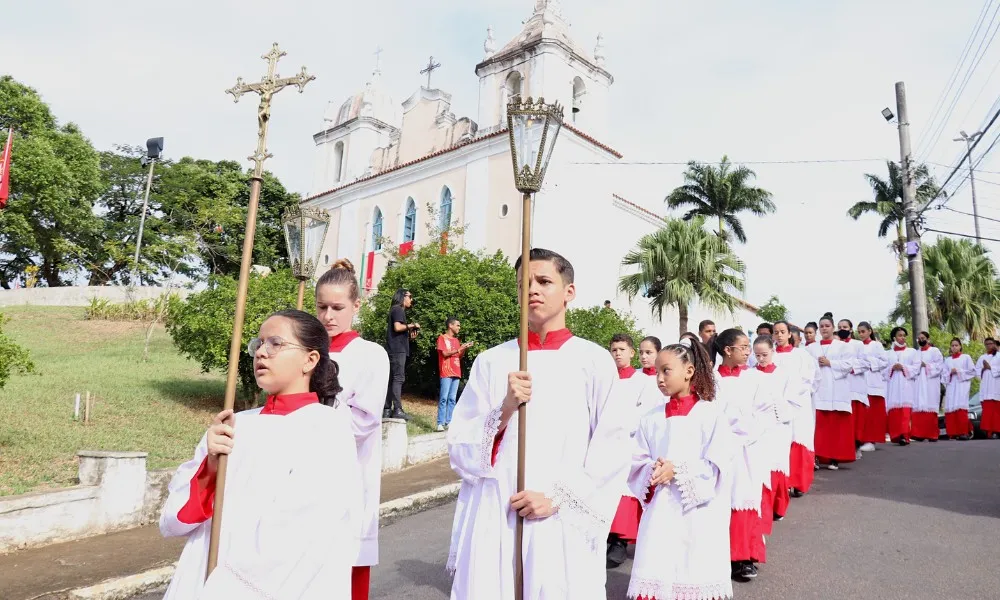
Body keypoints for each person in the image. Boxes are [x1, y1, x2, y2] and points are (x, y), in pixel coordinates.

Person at [446, 248, 631, 600]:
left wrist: (557, 499)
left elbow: (613, 447)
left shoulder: (593, 361)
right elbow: (461, 446)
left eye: (544, 281)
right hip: (497, 510)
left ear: (569, 292)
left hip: (561, 515)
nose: (532, 290)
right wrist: (505, 407)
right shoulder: (491, 361)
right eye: (523, 284)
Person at [160, 310, 362, 599]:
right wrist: (211, 467)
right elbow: (177, 519)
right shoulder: (234, 424)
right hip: (202, 571)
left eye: (276, 344)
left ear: (310, 359)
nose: (261, 353)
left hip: (266, 585)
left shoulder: (326, 428)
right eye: (259, 344)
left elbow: (300, 529)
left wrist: (228, 587)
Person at [626, 342, 735, 600]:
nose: (660, 379)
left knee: (694, 564)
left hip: (697, 510)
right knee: (657, 561)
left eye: (666, 371)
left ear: (688, 371)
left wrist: (679, 470)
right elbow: (636, 458)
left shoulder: (710, 415)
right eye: (656, 373)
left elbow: (719, 464)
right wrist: (651, 469)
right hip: (661, 506)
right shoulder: (650, 417)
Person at [316, 261, 390, 600]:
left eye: (337, 307)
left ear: (356, 306)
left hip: (349, 477)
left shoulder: (371, 355)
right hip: (298, 478)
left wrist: (320, 403)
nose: (329, 316)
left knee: (347, 577)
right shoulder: (305, 351)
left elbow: (363, 421)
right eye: (322, 307)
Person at [714, 328, 770, 582]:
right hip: (720, 450)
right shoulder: (711, 380)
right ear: (728, 350)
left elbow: (765, 412)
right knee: (719, 501)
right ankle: (717, 556)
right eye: (744, 347)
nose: (749, 352)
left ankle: (744, 557)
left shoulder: (755, 379)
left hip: (747, 449)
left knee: (744, 499)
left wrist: (745, 433)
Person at [606, 332, 662, 567]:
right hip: (606, 442)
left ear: (631, 352)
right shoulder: (606, 378)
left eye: (622, 349)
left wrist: (620, 425)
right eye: (614, 350)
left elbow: (644, 413)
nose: (617, 354)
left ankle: (620, 541)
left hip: (630, 441)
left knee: (626, 490)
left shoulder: (644, 382)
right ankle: (607, 536)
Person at [771, 321, 815, 498]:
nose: (779, 335)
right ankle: (783, 483)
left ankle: (798, 482)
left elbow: (809, 379)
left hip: (798, 404)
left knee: (798, 440)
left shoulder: (802, 356)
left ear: (790, 334)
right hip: (775, 406)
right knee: (780, 443)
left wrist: (790, 396)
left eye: (782, 332)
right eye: (776, 332)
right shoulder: (770, 355)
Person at [806, 315, 855, 470]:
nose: (824, 328)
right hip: (819, 391)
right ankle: (818, 457)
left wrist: (830, 363)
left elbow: (849, 365)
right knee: (819, 427)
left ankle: (835, 457)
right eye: (821, 326)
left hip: (837, 390)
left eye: (827, 326)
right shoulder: (810, 348)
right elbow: (806, 368)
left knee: (836, 427)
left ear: (833, 327)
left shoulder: (844, 346)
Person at [753, 334, 793, 524]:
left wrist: (780, 412)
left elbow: (792, 399)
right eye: (757, 355)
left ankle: (779, 506)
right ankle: (763, 507)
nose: (760, 359)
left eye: (764, 355)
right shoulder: (751, 374)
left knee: (777, 466)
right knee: (761, 468)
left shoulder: (783, 373)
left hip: (778, 426)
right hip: (757, 428)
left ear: (773, 352)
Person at [384, 289, 418, 420]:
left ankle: (387, 409)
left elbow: (397, 333)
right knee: (398, 378)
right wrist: (413, 325)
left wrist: (409, 337)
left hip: (394, 348)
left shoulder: (395, 309)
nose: (411, 299)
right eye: (410, 296)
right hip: (397, 350)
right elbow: (397, 327)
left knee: (392, 379)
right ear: (403, 297)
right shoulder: (398, 309)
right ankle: (398, 409)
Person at [884, 326, 920, 445]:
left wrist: (903, 367)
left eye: (904, 336)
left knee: (905, 412)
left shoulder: (912, 352)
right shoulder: (887, 354)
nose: (902, 338)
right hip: (893, 385)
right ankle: (896, 435)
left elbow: (916, 367)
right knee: (894, 412)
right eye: (900, 335)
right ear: (894, 337)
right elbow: (882, 370)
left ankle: (905, 435)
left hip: (906, 385)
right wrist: (892, 368)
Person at [856, 322, 888, 452]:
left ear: (870, 331)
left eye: (863, 331)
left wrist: (870, 362)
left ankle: (872, 440)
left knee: (873, 414)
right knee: (863, 413)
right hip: (861, 382)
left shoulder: (876, 345)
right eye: (859, 332)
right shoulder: (857, 346)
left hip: (874, 382)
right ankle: (862, 439)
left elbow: (885, 362)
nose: (861, 334)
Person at [437, 318, 473, 431]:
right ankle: (440, 423)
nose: (459, 327)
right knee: (444, 397)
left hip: (456, 371)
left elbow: (459, 355)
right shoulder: (442, 338)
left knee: (452, 398)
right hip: (446, 371)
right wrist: (459, 349)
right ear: (450, 325)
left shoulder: (456, 341)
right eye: (457, 325)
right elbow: (444, 353)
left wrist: (464, 348)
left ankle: (449, 422)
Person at [838, 319, 867, 460]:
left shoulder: (858, 344)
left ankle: (856, 446)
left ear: (850, 329)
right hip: (839, 386)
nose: (842, 329)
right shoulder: (835, 345)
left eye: (845, 327)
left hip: (855, 385)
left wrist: (851, 367)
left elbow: (865, 362)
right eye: (839, 327)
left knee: (855, 421)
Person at [912, 331, 944, 442]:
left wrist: (926, 365)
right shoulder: (915, 353)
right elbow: (912, 368)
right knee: (918, 405)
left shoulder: (935, 351)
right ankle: (918, 434)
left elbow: (940, 366)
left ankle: (932, 434)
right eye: (919, 338)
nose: (921, 340)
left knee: (930, 405)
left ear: (928, 339)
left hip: (930, 382)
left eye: (923, 338)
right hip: (918, 382)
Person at [942, 338, 976, 440]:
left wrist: (959, 371)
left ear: (960, 346)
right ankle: (953, 433)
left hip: (962, 386)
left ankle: (964, 432)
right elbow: (943, 375)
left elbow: (972, 372)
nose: (954, 347)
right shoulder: (947, 360)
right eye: (952, 345)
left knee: (961, 408)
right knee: (951, 407)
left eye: (956, 345)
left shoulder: (966, 357)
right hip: (951, 386)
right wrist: (949, 373)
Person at [976, 338, 1000, 439]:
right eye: (986, 344)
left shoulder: (999, 356)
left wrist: (990, 368)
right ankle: (989, 432)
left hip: (996, 387)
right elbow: (976, 371)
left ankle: (996, 431)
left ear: (994, 344)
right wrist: (983, 369)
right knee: (987, 411)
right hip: (985, 388)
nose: (989, 346)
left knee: (996, 411)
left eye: (990, 344)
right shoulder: (982, 357)